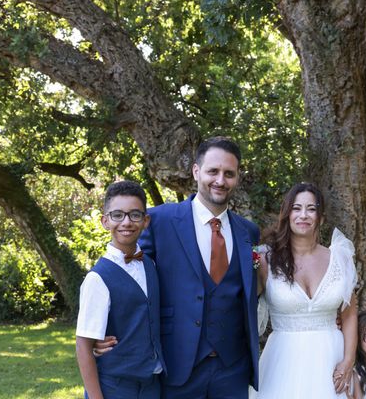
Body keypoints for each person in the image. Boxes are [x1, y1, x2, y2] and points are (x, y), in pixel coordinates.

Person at [95, 136, 259, 398]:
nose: (220, 180)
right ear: (196, 171)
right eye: (212, 171)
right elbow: (128, 276)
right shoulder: (159, 220)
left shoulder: (248, 232)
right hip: (178, 364)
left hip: (233, 368)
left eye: (229, 173)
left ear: (237, 177)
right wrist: (101, 331)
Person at [255, 182, 358, 398]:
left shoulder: (340, 259)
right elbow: (243, 307)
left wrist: (348, 360)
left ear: (320, 217)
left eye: (311, 209)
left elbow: (349, 314)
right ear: (286, 214)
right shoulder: (265, 259)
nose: (304, 215)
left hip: (332, 360)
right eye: (296, 208)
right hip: (283, 362)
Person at [76, 180, 165, 399]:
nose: (126, 222)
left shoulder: (150, 265)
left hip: (152, 387)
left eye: (135, 215)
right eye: (117, 215)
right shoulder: (97, 278)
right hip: (115, 388)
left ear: (145, 221)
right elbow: (84, 346)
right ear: (105, 221)